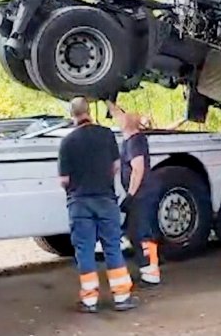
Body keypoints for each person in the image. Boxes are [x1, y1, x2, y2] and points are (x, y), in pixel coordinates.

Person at [58, 97, 138, 313]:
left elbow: (63, 180)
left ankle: (90, 301)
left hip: (80, 203)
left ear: (72, 115)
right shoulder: (106, 135)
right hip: (106, 200)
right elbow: (115, 167)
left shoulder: (67, 142)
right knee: (112, 246)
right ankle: (122, 297)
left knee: (84, 250)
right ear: (89, 111)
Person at [107, 100, 161, 287]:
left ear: (126, 125)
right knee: (134, 231)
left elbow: (138, 169)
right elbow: (119, 114)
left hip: (141, 194)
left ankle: (151, 272)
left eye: (122, 120)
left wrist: (130, 196)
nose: (118, 121)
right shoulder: (133, 139)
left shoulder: (135, 141)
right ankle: (147, 269)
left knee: (141, 232)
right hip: (141, 193)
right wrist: (109, 101)